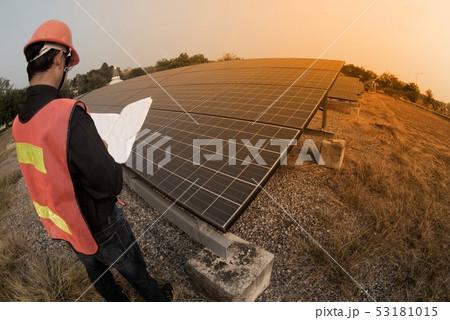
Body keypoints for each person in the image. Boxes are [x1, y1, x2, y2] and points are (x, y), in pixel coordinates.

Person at [12, 19, 169, 302]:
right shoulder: (66, 113)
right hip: (99, 223)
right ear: (59, 57)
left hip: (66, 225)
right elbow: (109, 183)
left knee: (99, 277)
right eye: (68, 64)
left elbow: (50, 168)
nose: (68, 72)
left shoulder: (18, 124)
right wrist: (104, 151)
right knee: (137, 274)